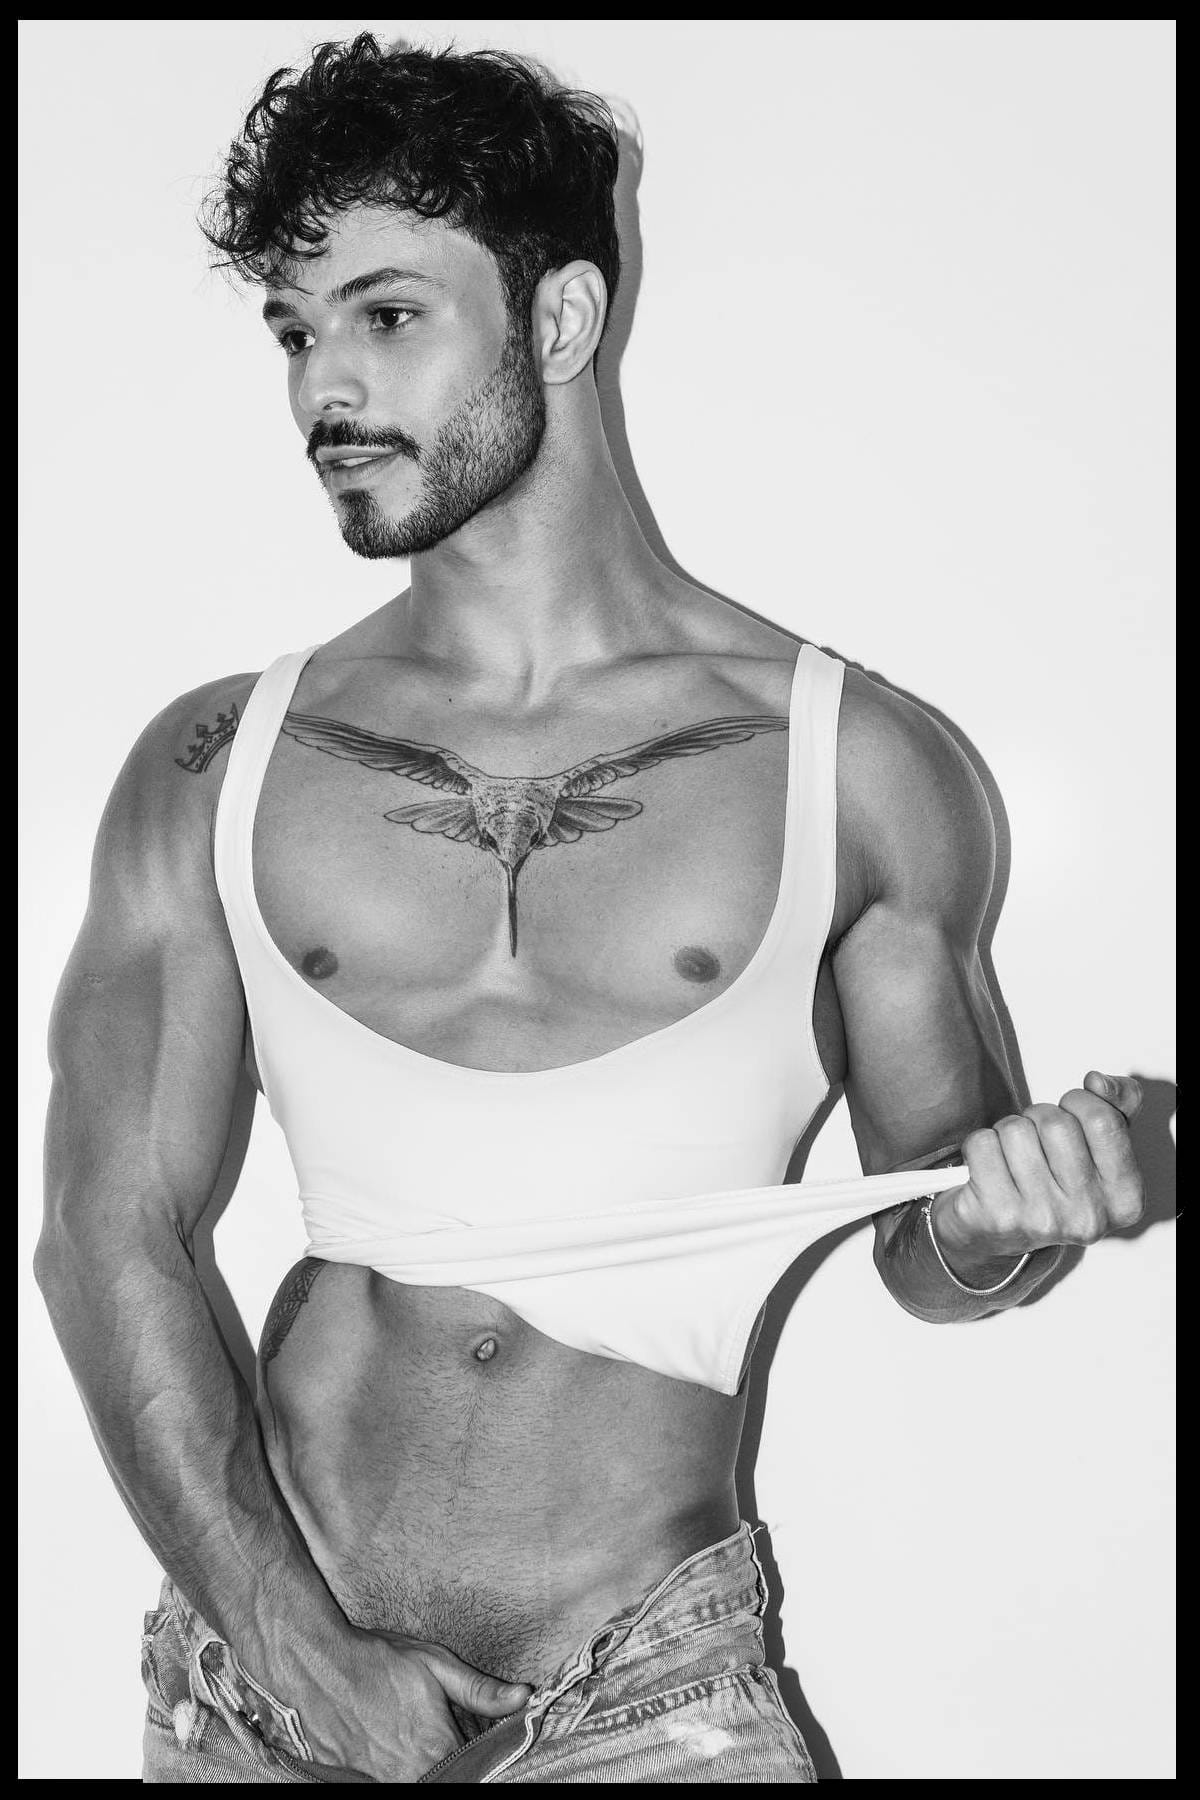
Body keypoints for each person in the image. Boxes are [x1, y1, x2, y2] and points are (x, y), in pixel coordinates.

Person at [35, 35, 1146, 1786]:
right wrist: (292, 1646)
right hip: (263, 1697)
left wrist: (1024, 1210)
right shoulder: (219, 761)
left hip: (653, 1704)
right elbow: (109, 1235)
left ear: (560, 319)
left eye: (388, 315)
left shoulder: (855, 766)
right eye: (296, 332)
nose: (327, 387)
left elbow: (936, 1249)